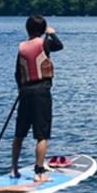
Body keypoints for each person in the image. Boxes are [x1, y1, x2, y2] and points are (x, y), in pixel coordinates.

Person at [10, 14, 63, 181]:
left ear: (27, 29)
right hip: (41, 93)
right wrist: (51, 33)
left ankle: (14, 169)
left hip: (25, 92)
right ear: (42, 29)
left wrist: (21, 89)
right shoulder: (45, 43)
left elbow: (18, 73)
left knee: (20, 133)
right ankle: (39, 172)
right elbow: (59, 46)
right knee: (42, 135)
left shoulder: (22, 47)